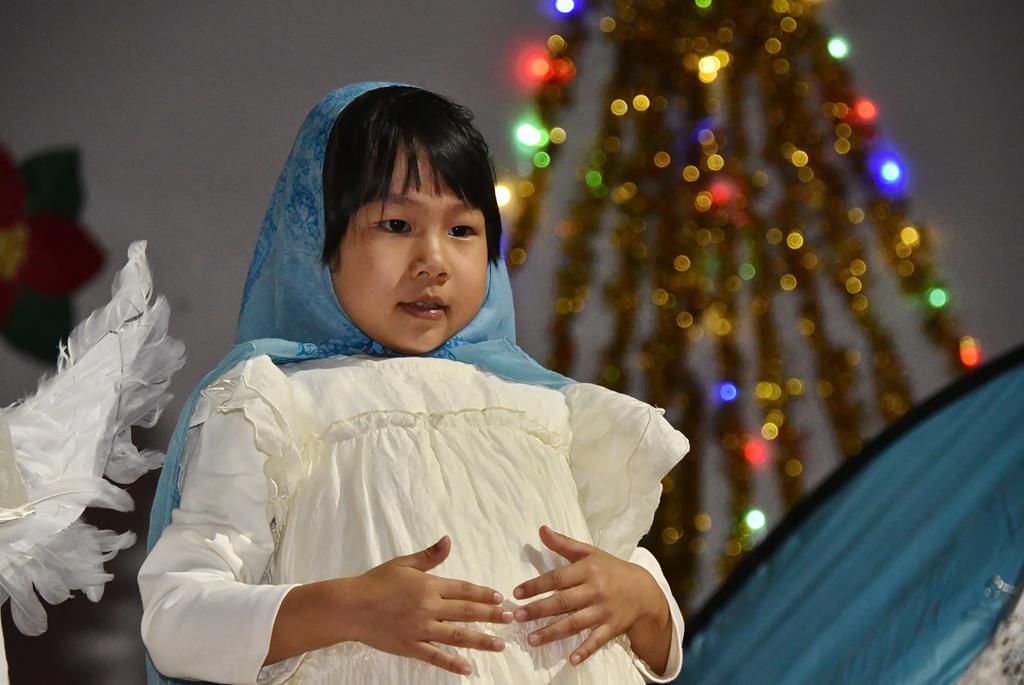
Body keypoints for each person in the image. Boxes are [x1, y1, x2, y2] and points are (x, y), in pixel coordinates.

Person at [139, 82, 689, 684]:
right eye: (397, 224)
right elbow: (177, 618)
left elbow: (642, 609)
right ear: (316, 240)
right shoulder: (275, 406)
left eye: (463, 231)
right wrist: (349, 607)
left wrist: (643, 600)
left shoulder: (550, 413)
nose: (434, 261)